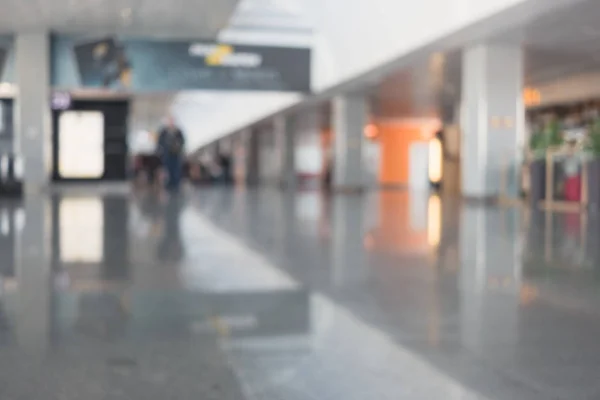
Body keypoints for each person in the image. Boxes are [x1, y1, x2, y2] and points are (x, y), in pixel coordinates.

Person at [157, 116, 185, 192]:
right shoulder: (164, 131)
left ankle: (175, 184)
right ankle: (168, 184)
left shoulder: (178, 131)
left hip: (176, 154)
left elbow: (182, 142)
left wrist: (177, 146)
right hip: (167, 154)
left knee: (176, 170)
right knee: (167, 169)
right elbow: (160, 142)